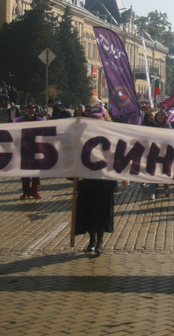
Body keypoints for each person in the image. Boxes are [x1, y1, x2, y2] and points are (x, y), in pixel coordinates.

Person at [74, 105, 122, 254]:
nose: (95, 119)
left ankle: (100, 240)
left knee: (102, 211)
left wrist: (123, 176)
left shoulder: (112, 131)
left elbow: (118, 154)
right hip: (87, 178)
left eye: (98, 117)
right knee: (87, 210)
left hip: (104, 178)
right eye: (93, 117)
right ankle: (92, 240)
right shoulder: (82, 131)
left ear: (104, 116)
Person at [15, 101, 44, 199]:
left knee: (36, 173)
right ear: (26, 110)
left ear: (35, 109)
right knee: (25, 173)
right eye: (29, 108)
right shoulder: (18, 121)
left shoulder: (41, 121)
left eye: (33, 108)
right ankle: (26, 192)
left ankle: (35, 191)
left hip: (37, 150)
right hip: (24, 150)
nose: (31, 110)